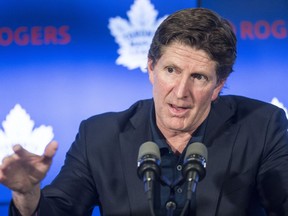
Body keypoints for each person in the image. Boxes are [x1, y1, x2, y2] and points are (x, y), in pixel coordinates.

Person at [1, 7, 288, 216]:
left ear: (218, 85)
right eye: (171, 70)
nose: (180, 92)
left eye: (198, 77)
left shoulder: (261, 127)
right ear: (151, 68)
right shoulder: (100, 136)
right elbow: (59, 210)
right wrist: (27, 194)